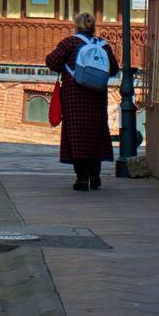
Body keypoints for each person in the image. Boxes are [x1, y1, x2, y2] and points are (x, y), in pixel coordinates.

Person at [46, 12, 119, 191]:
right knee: (96, 134)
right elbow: (114, 69)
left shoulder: (69, 43)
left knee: (77, 135)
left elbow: (51, 61)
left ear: (76, 26)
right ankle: (95, 176)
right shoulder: (103, 45)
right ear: (93, 27)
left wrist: (66, 67)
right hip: (97, 96)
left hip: (74, 97)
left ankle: (81, 178)